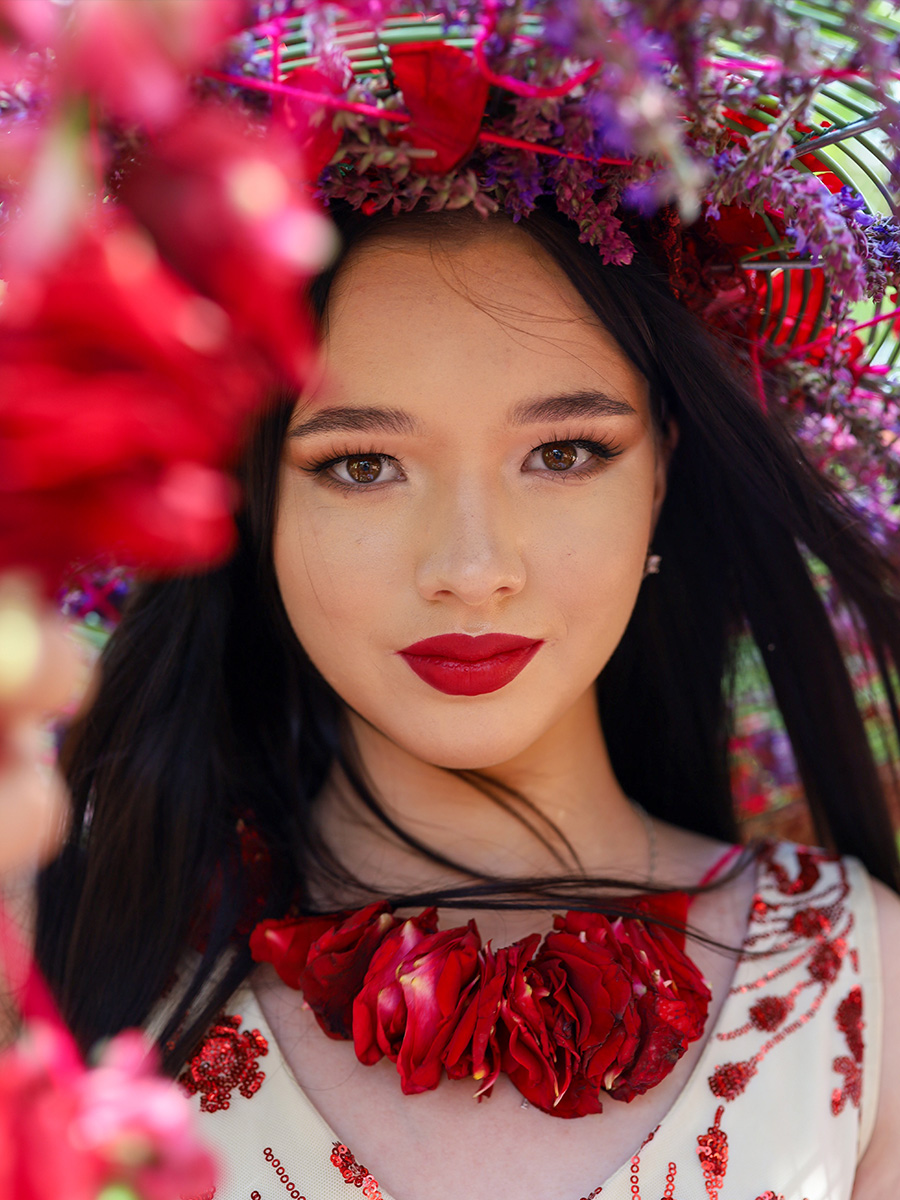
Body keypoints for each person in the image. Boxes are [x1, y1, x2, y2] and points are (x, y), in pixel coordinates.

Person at [28, 4, 900, 1198]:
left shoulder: (866, 985)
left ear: (665, 473)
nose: (473, 567)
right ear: (247, 502)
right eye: (361, 466)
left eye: (565, 453)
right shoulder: (72, 971)